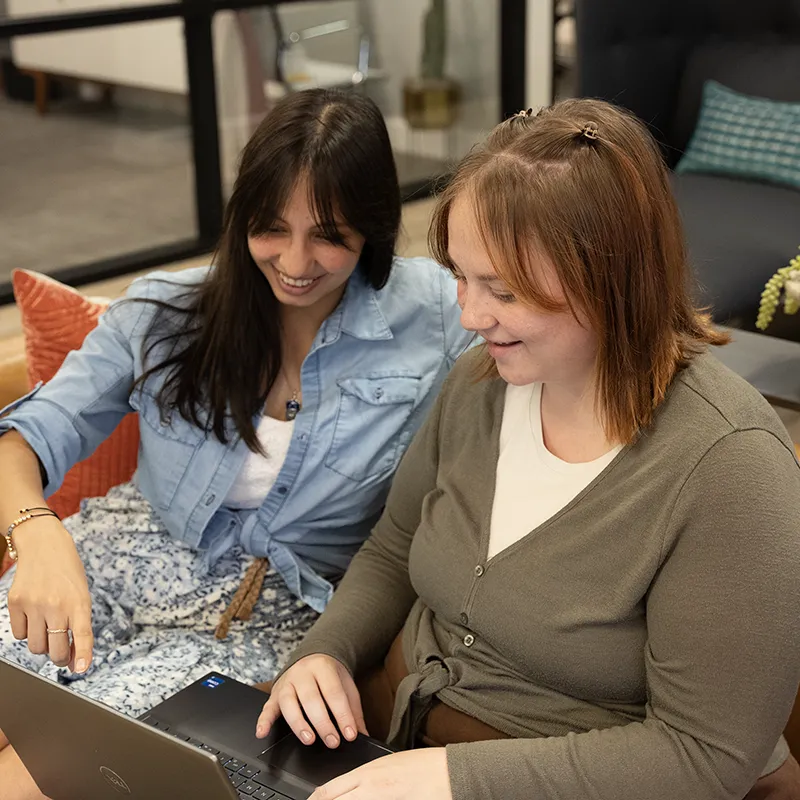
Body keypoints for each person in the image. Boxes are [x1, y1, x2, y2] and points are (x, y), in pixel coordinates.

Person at [256, 99, 800, 800]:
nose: (469, 315)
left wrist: (452, 777)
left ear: (612, 279)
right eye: (460, 276)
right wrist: (326, 652)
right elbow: (395, 546)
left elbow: (702, 756)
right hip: (393, 733)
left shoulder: (729, 466)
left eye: (503, 291)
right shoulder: (479, 383)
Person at [0, 88, 470, 799]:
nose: (296, 262)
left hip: (267, 613)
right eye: (270, 228)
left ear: (373, 229)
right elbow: (27, 435)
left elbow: (553, 323)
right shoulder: (165, 310)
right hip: (111, 560)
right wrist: (38, 536)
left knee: (48, 768)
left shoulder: (439, 314)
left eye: (331, 235)